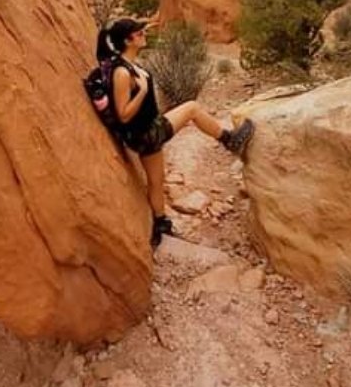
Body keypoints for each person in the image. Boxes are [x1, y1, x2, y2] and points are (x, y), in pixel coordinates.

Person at [96, 18, 255, 248]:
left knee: (156, 181)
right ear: (127, 40)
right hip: (146, 133)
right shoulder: (122, 72)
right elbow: (123, 114)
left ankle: (160, 226)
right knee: (192, 108)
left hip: (146, 132)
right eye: (138, 33)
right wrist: (140, 92)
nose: (143, 34)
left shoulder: (127, 64)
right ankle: (230, 140)